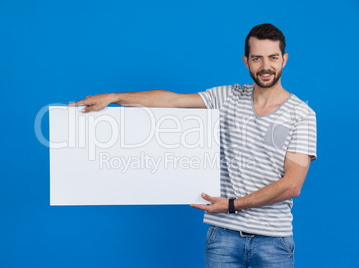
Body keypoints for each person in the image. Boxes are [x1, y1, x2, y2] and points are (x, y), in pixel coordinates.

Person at [69, 23, 317, 268]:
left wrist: (232, 205)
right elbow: (172, 101)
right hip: (223, 237)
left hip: (274, 241)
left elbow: (292, 185)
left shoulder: (302, 115)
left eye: (273, 57)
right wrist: (114, 98)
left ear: (284, 59)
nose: (265, 66)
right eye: (257, 58)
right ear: (246, 61)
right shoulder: (227, 97)